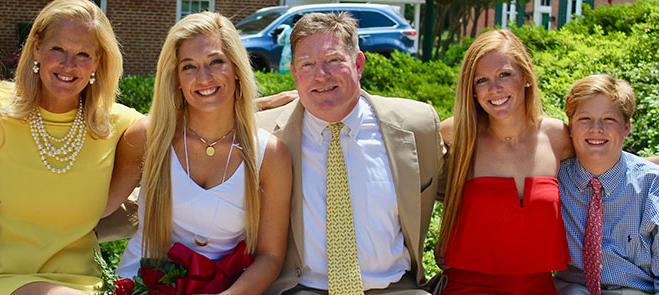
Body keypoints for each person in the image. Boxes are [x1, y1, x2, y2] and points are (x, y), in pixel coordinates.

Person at [0, 1, 142, 294]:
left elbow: (198, 136)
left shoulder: (120, 125)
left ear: (98, 61)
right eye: (58, 49)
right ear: (37, 48)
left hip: (84, 285)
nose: (69, 64)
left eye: (83, 54)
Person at [257, 12, 447, 294]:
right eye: (307, 65)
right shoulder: (265, 134)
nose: (321, 75)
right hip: (301, 288)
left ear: (358, 64)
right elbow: (189, 118)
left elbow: (467, 189)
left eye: (333, 60)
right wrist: (262, 103)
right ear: (294, 75)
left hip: (395, 288)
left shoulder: (416, 126)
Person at [108, 12, 292, 294]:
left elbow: (270, 256)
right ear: (176, 79)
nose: (203, 77)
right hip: (140, 284)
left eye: (216, 62)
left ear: (236, 69)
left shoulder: (269, 155)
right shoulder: (149, 137)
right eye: (189, 67)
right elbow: (96, 209)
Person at [436, 29, 573, 294]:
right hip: (467, 287)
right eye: (482, 80)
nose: (494, 89)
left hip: (540, 287)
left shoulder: (558, 137)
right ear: (472, 90)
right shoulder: (457, 135)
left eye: (505, 75)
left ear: (526, 77)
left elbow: (612, 169)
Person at [553, 74, 659, 295]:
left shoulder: (651, 185)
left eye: (609, 119)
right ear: (570, 127)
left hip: (636, 289)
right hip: (572, 289)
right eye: (585, 119)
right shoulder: (554, 180)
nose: (596, 128)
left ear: (626, 128)